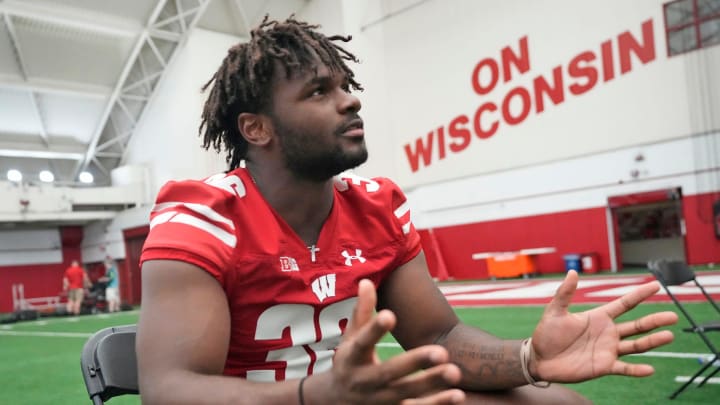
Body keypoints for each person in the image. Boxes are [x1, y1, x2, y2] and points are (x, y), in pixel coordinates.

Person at [136, 16, 678, 404]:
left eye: (346, 86)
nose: (351, 100)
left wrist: (528, 358)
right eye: (319, 91)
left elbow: (439, 337)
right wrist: (318, 394)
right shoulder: (203, 215)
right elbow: (169, 389)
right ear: (256, 128)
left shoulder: (376, 206)